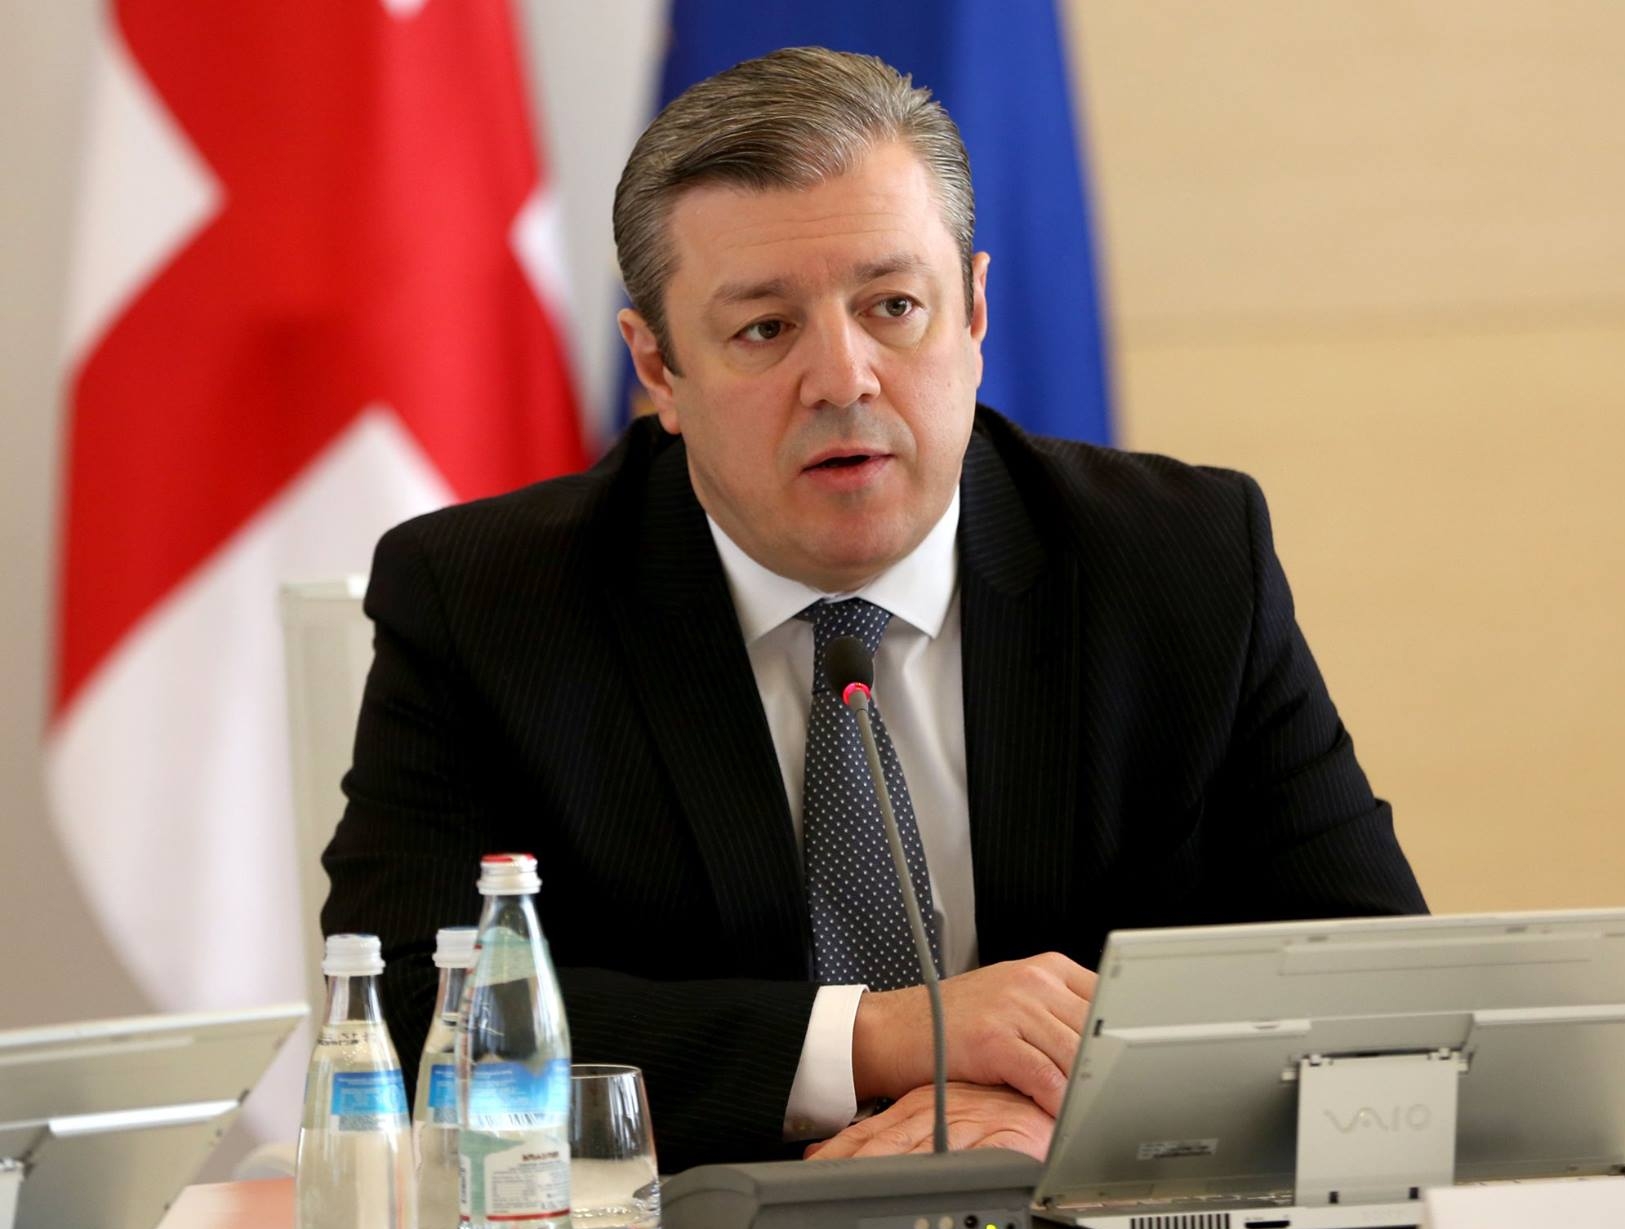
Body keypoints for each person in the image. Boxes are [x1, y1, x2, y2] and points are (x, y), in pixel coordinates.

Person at [321, 47, 1424, 1172]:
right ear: (657, 369)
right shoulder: (489, 602)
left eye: (893, 307)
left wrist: (1079, 1110)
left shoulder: (1175, 561)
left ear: (975, 312)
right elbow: (407, 1018)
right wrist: (878, 1037)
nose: (843, 378)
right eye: (765, 328)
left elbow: (1381, 989)